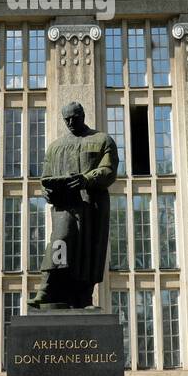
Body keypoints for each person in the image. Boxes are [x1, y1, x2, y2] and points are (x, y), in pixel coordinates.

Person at [29, 102, 118, 309]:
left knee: (88, 252)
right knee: (60, 242)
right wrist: (47, 191)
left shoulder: (102, 140)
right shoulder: (55, 147)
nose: (70, 122)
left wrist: (87, 179)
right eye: (66, 119)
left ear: (83, 115)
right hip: (65, 207)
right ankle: (47, 288)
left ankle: (84, 298)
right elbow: (46, 177)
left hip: (92, 205)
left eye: (74, 118)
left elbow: (109, 170)